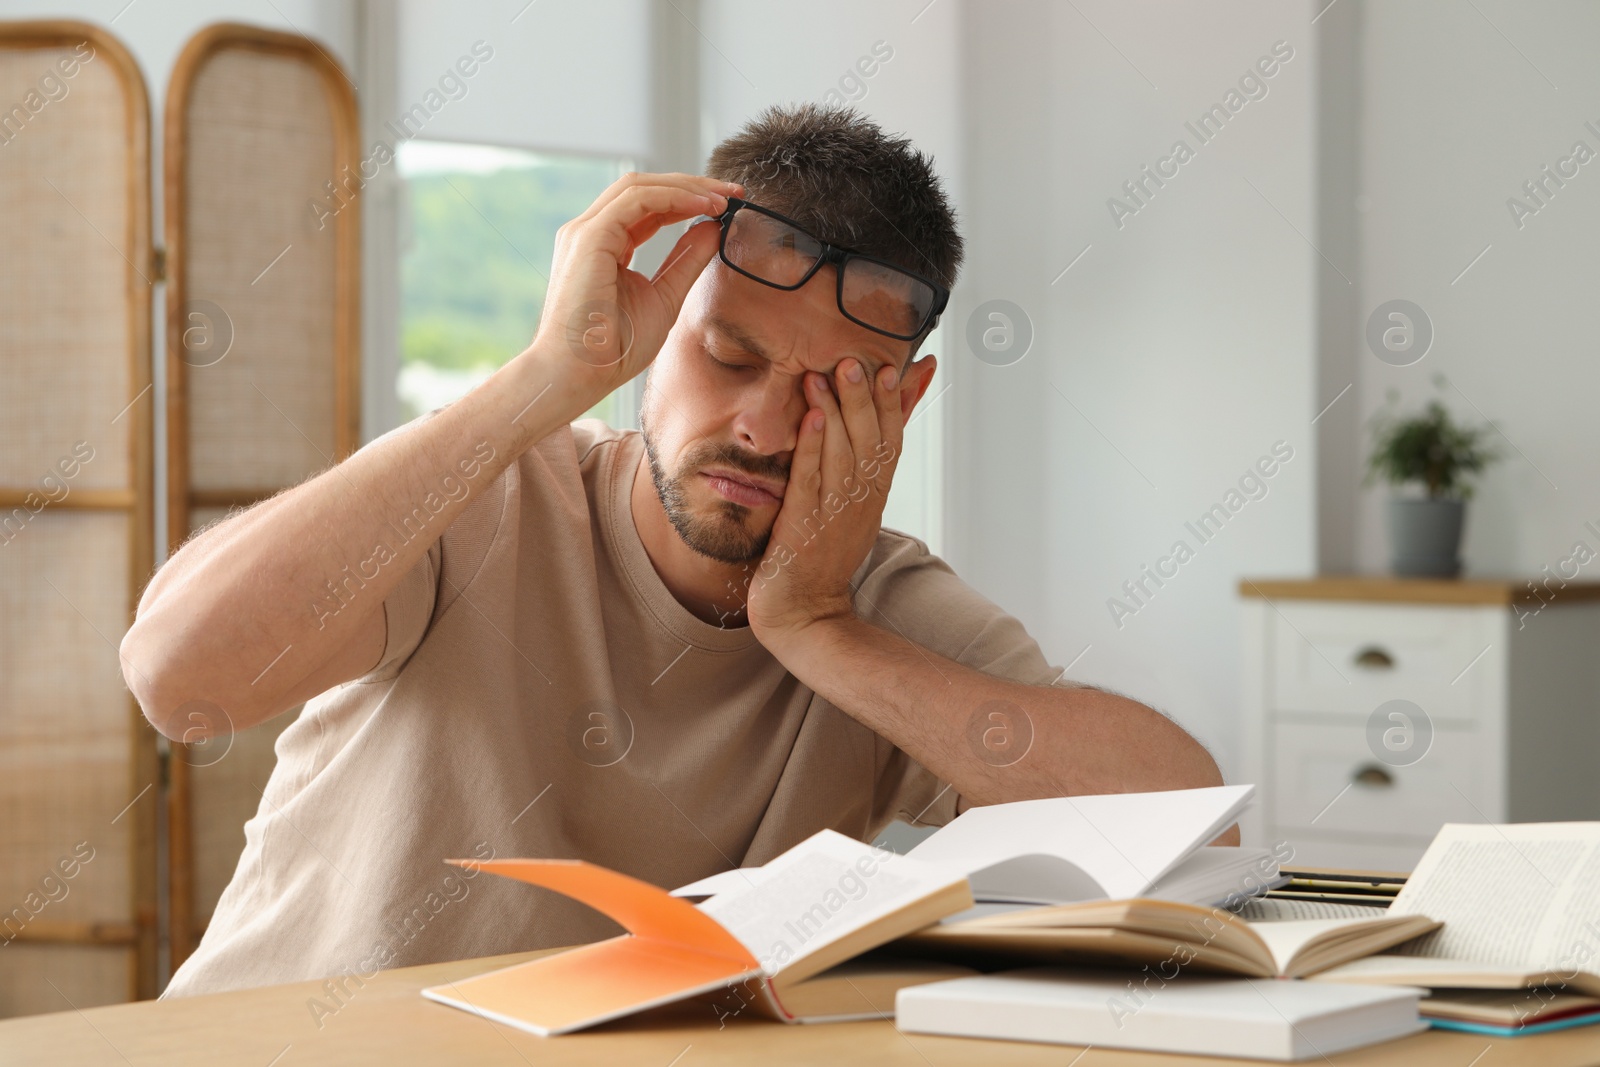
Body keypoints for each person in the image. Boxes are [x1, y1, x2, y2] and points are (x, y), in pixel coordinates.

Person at [123, 104, 1231, 998]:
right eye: (727, 354)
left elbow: (1169, 817)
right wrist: (543, 382)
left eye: (826, 392)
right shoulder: (481, 493)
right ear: (651, 328)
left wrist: (816, 626)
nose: (759, 427)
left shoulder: (873, 599)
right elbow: (179, 680)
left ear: (902, 401)